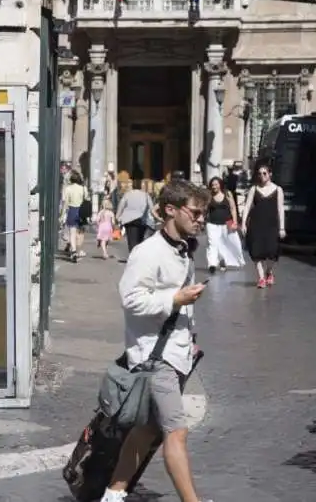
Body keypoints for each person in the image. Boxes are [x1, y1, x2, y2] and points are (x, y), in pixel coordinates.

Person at [102, 180, 212, 502]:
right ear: (170, 210)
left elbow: (176, 305)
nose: (200, 219)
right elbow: (131, 299)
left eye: (203, 214)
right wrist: (175, 299)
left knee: (147, 430)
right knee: (175, 432)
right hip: (154, 359)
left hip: (175, 355)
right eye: (195, 212)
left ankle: (113, 493)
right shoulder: (147, 252)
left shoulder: (184, 252)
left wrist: (188, 338)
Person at [241, 164, 285, 288]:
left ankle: (269, 271)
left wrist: (282, 227)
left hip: (272, 224)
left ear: (270, 174)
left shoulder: (278, 190)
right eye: (260, 173)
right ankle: (261, 278)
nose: (262, 176)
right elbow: (247, 206)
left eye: (264, 173)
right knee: (256, 250)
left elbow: (280, 209)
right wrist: (243, 223)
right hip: (256, 224)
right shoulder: (254, 189)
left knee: (272, 251)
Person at [205, 177, 245, 273]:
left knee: (225, 243)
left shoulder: (227, 193)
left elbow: (233, 208)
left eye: (216, 184)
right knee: (212, 244)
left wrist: (235, 222)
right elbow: (205, 209)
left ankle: (223, 261)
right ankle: (212, 264)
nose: (214, 186)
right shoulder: (209, 195)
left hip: (226, 223)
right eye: (212, 185)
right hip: (212, 224)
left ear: (220, 184)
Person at [116, 179, 154, 252]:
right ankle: (138, 256)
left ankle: (133, 256)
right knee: (140, 240)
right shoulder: (146, 195)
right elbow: (152, 208)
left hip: (130, 221)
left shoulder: (127, 194)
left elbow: (121, 205)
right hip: (142, 220)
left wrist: (117, 217)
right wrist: (156, 218)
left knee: (132, 241)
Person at [61, 171, 88, 263]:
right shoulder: (83, 189)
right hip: (81, 211)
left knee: (72, 233)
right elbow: (87, 199)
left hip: (72, 211)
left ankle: (73, 251)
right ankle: (79, 249)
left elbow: (65, 203)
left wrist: (62, 215)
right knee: (80, 233)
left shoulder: (68, 189)